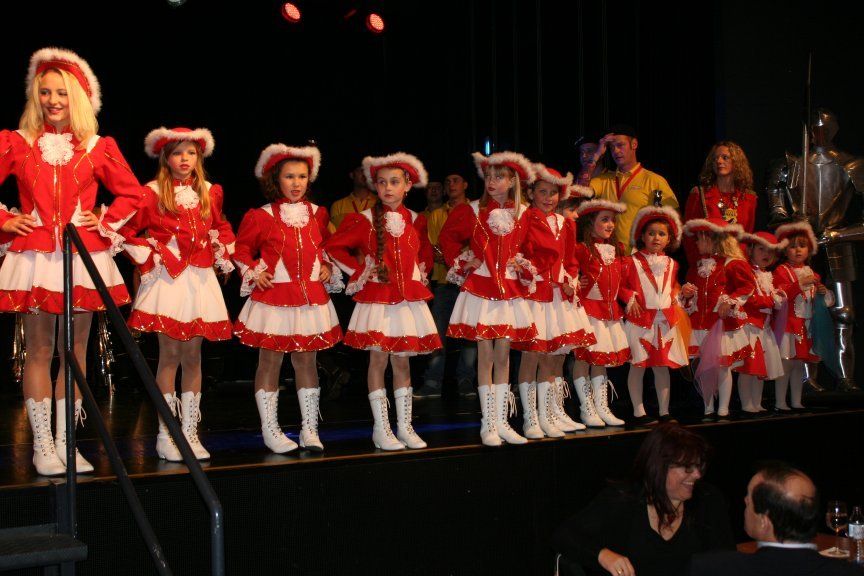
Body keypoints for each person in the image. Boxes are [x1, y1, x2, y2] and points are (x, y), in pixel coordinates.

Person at [0, 48, 145, 476]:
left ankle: (67, 442)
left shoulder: (99, 147)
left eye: (61, 92)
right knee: (40, 350)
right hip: (37, 256)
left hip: (82, 255)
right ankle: (42, 445)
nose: (52, 100)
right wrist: (6, 220)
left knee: (76, 352)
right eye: (45, 92)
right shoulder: (17, 142)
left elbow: (133, 194)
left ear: (78, 96)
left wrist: (105, 220)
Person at [121, 127, 235, 462]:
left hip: (199, 279)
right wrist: (153, 253)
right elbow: (127, 230)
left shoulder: (210, 191)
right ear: (165, 158)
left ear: (199, 157)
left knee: (194, 357)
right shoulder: (153, 192)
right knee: (169, 356)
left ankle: (189, 432)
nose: (184, 159)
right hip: (169, 281)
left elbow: (221, 226)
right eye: (177, 153)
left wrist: (221, 248)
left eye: (190, 153)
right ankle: (166, 433)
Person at [324, 153, 441, 451]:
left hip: (407, 301)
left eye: (394, 182)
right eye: (382, 182)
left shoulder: (417, 219)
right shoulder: (363, 219)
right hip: (378, 298)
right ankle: (381, 427)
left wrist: (420, 274)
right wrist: (361, 271)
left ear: (407, 185)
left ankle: (405, 426)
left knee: (402, 362)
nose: (388, 188)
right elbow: (334, 247)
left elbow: (424, 254)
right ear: (375, 186)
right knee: (378, 360)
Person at [233, 144, 343, 453]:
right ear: (276, 180)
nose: (296, 183)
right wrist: (254, 271)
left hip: (310, 298)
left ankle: (309, 429)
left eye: (302, 177)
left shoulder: (319, 214)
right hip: (274, 297)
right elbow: (241, 250)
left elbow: (326, 247)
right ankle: (271, 429)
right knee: (270, 361)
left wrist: (326, 265)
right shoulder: (261, 215)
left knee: (307, 361)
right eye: (289, 176)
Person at [439, 151, 538, 447]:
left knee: (504, 356)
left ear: (512, 181)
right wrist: (463, 261)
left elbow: (532, 247)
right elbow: (447, 237)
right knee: (485, 356)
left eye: (499, 177)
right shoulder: (472, 210)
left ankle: (502, 421)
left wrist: (523, 263)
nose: (492, 182)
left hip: (509, 289)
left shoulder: (524, 213)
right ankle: (488, 424)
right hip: (482, 288)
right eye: (489, 177)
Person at [553, 423, 735, 576]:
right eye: (687, 467)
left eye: (699, 466)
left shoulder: (708, 500)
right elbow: (564, 535)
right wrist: (603, 555)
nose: (697, 475)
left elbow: (727, 561)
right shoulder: (622, 500)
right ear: (660, 467)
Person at [767, 109, 864, 392]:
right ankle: (808, 378)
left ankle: (845, 377)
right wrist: (793, 223)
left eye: (823, 128)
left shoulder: (852, 165)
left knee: (845, 313)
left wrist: (837, 234)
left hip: (838, 243)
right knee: (802, 312)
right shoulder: (790, 165)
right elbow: (776, 213)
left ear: (833, 130)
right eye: (813, 128)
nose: (817, 133)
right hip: (801, 245)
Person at [513, 164, 595, 438]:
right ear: (531, 193)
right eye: (542, 192)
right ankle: (531, 419)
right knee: (531, 356)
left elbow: (570, 260)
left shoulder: (565, 223)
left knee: (552, 358)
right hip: (535, 296)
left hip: (558, 296)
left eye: (553, 193)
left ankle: (549, 414)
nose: (548, 198)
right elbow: (519, 252)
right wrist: (529, 271)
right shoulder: (526, 218)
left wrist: (571, 279)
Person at [688, 464, 863, 576]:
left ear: (764, 520)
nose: (744, 504)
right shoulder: (851, 572)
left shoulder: (711, 568)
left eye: (748, 502)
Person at [680, 218, 753, 419]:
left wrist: (729, 302)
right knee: (704, 367)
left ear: (712, 239)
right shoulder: (696, 267)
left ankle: (723, 408)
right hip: (699, 324)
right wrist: (687, 294)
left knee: (722, 367)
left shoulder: (732, 264)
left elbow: (748, 286)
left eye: (700, 238)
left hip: (719, 325)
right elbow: (692, 297)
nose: (696, 242)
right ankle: (708, 406)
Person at [415, 170, 477, 398]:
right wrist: (449, 257)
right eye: (447, 181)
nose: (451, 184)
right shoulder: (436, 214)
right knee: (438, 332)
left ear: (466, 184)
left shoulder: (475, 210)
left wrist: (461, 255)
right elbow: (433, 248)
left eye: (456, 180)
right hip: (444, 280)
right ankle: (432, 381)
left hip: (471, 281)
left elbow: (478, 243)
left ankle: (466, 380)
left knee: (469, 333)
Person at [571, 199, 631, 428]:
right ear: (590, 223)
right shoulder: (582, 249)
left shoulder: (617, 250)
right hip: (589, 311)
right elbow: (569, 270)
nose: (610, 225)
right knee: (583, 359)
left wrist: (630, 296)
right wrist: (577, 281)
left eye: (612, 220)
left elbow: (620, 281)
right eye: (604, 220)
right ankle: (586, 408)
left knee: (601, 360)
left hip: (609, 311)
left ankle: (602, 406)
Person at [772, 221, 833, 411]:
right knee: (786, 364)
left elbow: (821, 303)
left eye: (802, 246)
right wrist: (800, 284)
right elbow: (781, 297)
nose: (798, 250)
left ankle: (796, 401)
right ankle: (780, 402)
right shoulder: (781, 271)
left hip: (806, 325)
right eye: (792, 246)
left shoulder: (812, 273)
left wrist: (823, 293)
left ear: (809, 249)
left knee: (799, 365)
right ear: (785, 250)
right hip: (788, 325)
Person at [589, 125, 678, 253]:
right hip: (608, 256)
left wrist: (651, 248)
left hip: (640, 257)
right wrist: (596, 156)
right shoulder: (604, 180)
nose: (616, 151)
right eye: (612, 148)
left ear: (634, 144)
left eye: (620, 145)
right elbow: (578, 191)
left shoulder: (654, 181)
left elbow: (673, 220)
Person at [735, 232, 787, 414]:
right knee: (748, 368)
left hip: (764, 328)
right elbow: (749, 299)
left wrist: (778, 298)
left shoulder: (767, 275)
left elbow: (770, 300)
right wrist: (771, 300)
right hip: (750, 327)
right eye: (761, 249)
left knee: (761, 368)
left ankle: (757, 403)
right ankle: (746, 403)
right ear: (750, 250)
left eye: (770, 251)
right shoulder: (747, 272)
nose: (766, 254)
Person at [682, 142, 757, 266]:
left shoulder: (749, 198)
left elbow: (746, 237)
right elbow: (688, 235)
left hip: (737, 264)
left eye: (725, 157)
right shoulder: (699, 194)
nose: (719, 161)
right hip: (708, 264)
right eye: (715, 158)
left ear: (737, 162)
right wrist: (700, 264)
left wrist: (740, 263)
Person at [329, 165, 377, 230]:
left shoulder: (379, 202)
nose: (365, 174)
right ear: (352, 175)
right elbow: (335, 233)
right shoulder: (338, 205)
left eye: (367, 171)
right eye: (361, 170)